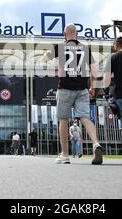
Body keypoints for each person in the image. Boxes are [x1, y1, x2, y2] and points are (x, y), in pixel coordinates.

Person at [43, 23, 103, 165]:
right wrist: (92, 87)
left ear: (65, 34)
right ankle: (96, 144)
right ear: (76, 34)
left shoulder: (60, 46)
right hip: (82, 88)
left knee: (63, 120)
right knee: (85, 117)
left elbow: (43, 60)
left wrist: (53, 66)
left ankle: (65, 155)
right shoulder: (85, 48)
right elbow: (94, 72)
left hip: (64, 87)